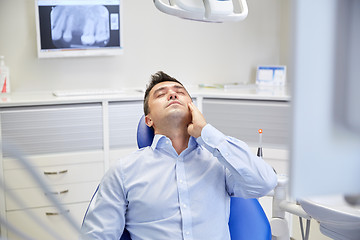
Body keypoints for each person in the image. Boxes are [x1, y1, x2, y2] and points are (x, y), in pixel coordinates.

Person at [80, 71, 278, 240]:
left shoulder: (219, 163)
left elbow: (266, 182)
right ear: (148, 120)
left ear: (193, 108)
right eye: (161, 94)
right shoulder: (124, 171)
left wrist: (206, 133)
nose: (173, 95)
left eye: (180, 92)